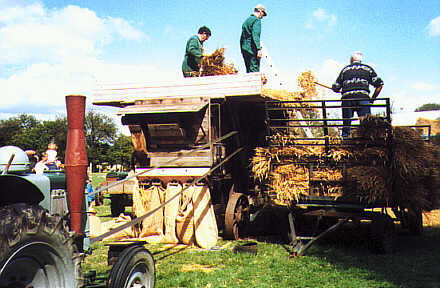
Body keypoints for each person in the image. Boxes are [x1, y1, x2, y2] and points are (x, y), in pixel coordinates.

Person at [332, 51, 384, 137]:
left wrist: (337, 89)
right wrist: (372, 99)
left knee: (346, 123)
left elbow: (335, 86)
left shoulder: (345, 70)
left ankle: (345, 141)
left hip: (347, 99)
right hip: (363, 99)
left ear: (351, 59)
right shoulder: (368, 69)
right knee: (366, 124)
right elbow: (380, 84)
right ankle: (367, 143)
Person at [240, 4, 267, 73]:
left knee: (248, 71)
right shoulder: (256, 20)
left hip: (244, 49)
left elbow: (242, 38)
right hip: (252, 49)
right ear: (260, 11)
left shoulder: (246, 21)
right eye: (263, 14)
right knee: (254, 70)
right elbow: (255, 35)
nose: (262, 17)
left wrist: (243, 49)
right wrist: (258, 49)